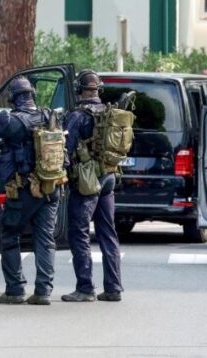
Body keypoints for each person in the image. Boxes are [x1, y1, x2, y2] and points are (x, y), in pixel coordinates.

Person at [0, 77, 65, 306]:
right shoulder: (48, 116)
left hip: (23, 189)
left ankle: (15, 290)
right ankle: (43, 290)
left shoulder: (8, 120)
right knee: (45, 239)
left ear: (13, 97)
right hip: (50, 187)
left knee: (9, 234)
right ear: (32, 94)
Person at [61, 70, 124, 302]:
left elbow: (65, 149)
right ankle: (114, 287)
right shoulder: (110, 112)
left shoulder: (77, 116)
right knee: (108, 232)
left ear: (79, 89)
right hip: (109, 176)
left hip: (87, 181)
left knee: (79, 232)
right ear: (99, 89)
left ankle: (85, 288)